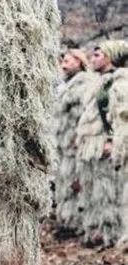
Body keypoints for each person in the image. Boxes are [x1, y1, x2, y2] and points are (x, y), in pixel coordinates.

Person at [75, 40, 128, 247]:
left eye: (98, 55)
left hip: (106, 146)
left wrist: (113, 142)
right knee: (95, 193)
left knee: (109, 194)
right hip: (92, 146)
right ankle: (98, 233)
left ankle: (112, 236)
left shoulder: (119, 83)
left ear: (111, 57)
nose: (92, 59)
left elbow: (121, 118)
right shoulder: (99, 82)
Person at [53, 49, 94, 238]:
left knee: (76, 182)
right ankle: (66, 220)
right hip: (62, 141)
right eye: (63, 61)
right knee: (64, 180)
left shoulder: (84, 83)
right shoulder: (64, 85)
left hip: (74, 140)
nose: (63, 64)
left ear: (79, 61)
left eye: (68, 61)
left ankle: (76, 222)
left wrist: (79, 136)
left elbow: (84, 113)